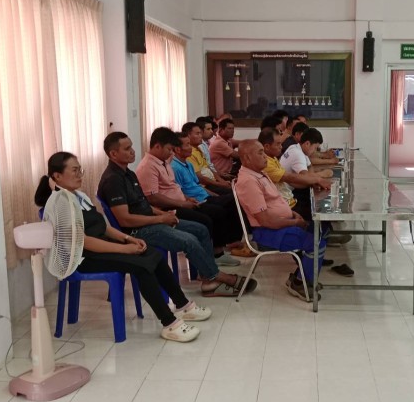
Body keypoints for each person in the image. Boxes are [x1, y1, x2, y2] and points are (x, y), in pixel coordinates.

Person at [35, 152, 209, 342]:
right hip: (84, 258)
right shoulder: (60, 204)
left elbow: (103, 227)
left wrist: (128, 239)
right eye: (74, 170)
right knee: (142, 266)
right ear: (57, 176)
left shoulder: (78, 196)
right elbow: (83, 242)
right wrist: (125, 249)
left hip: (100, 248)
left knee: (153, 254)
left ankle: (182, 305)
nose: (79, 175)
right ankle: (169, 324)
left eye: (80, 170)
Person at [97, 131, 256, 298]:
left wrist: (164, 215)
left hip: (152, 220)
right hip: (138, 231)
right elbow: (125, 220)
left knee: (201, 229)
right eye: (127, 148)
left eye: (131, 147)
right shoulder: (113, 180)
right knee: (189, 240)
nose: (133, 151)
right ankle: (216, 277)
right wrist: (160, 218)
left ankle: (208, 276)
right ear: (113, 154)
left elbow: (144, 205)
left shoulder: (128, 174)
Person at [236, 139, 334, 300]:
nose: (265, 157)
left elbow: (276, 202)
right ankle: (300, 283)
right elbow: (267, 221)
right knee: (317, 243)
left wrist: (293, 214)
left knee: (319, 229)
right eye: (260, 153)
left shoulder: (260, 173)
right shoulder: (249, 182)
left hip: (280, 225)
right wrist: (295, 222)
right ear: (247, 158)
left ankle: (299, 277)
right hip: (268, 233)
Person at [136, 127, 242, 267]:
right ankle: (210, 258)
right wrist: (182, 204)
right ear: (157, 146)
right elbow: (153, 198)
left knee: (218, 210)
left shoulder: (163, 162)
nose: (171, 153)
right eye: (169, 149)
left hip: (180, 203)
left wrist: (186, 198)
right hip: (167, 209)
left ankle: (214, 254)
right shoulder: (148, 166)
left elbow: (173, 188)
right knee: (207, 218)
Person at [182, 122, 232, 193]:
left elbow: (209, 167)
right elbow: (199, 178)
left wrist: (222, 181)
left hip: (213, 182)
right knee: (233, 194)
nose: (201, 136)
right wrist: (220, 184)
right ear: (188, 136)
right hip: (206, 186)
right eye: (197, 134)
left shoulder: (198, 148)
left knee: (235, 189)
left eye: (200, 133)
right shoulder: (189, 153)